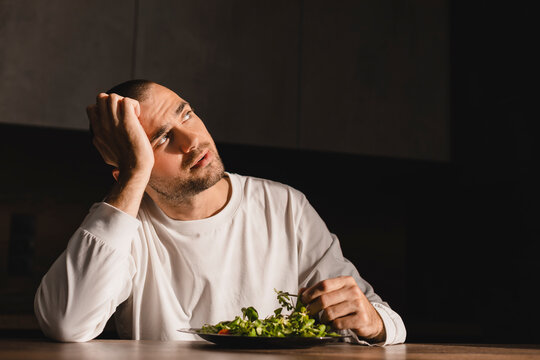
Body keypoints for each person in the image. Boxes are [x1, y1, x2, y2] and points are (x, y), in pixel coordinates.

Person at [34, 80, 406, 345]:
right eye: (162, 138)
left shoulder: (285, 207)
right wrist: (133, 177)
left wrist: (373, 323)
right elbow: (66, 322)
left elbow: (383, 321)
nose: (192, 140)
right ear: (132, 166)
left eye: (188, 114)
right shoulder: (126, 224)